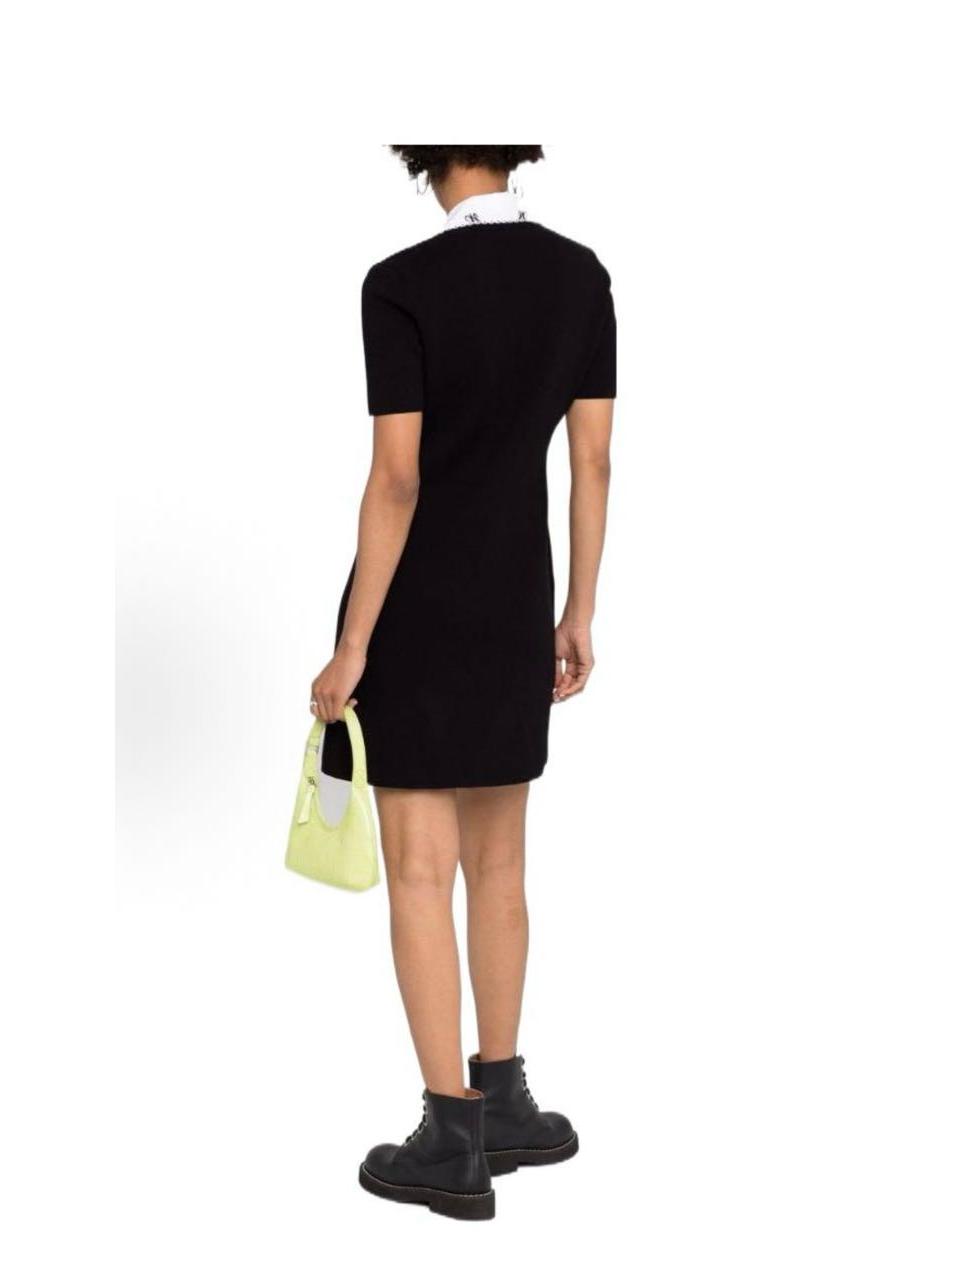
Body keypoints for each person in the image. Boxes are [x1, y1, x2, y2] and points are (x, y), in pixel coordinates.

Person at [310, 144, 616, 1220]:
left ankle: (451, 1136)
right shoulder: (579, 275)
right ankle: (506, 1097)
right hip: (514, 600)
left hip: (415, 608)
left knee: (417, 870)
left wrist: (353, 644)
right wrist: (577, 610)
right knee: (500, 866)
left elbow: (397, 478)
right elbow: (592, 460)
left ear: (424, 152)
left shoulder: (402, 285)